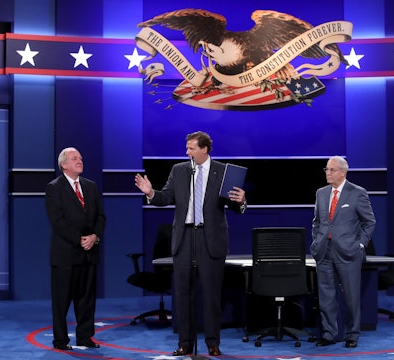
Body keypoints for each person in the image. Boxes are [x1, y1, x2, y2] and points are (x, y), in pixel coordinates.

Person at [134, 131, 247, 357]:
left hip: (211, 239)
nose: (187, 152)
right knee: (183, 295)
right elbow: (166, 197)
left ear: (204, 149)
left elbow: (235, 206)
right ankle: (185, 343)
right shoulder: (179, 170)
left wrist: (242, 200)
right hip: (185, 239)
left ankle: (213, 343)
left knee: (212, 295)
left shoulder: (223, 171)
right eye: (187, 148)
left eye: (192, 148)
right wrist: (150, 193)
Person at [310, 155, 375, 348]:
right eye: (326, 170)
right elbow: (317, 222)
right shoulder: (321, 193)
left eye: (331, 170)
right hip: (323, 251)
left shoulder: (357, 193)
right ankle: (329, 334)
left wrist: (360, 244)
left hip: (348, 252)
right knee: (326, 296)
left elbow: (369, 222)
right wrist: (316, 242)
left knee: (351, 296)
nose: (327, 173)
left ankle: (352, 335)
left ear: (343, 172)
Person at [45, 147, 106, 351]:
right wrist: (80, 239)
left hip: (89, 254)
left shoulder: (91, 186)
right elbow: (57, 221)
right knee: (62, 301)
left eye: (80, 157)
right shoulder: (54, 187)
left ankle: (85, 337)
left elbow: (100, 217)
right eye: (74, 158)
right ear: (64, 164)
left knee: (87, 300)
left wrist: (94, 237)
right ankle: (61, 341)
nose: (79, 161)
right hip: (66, 254)